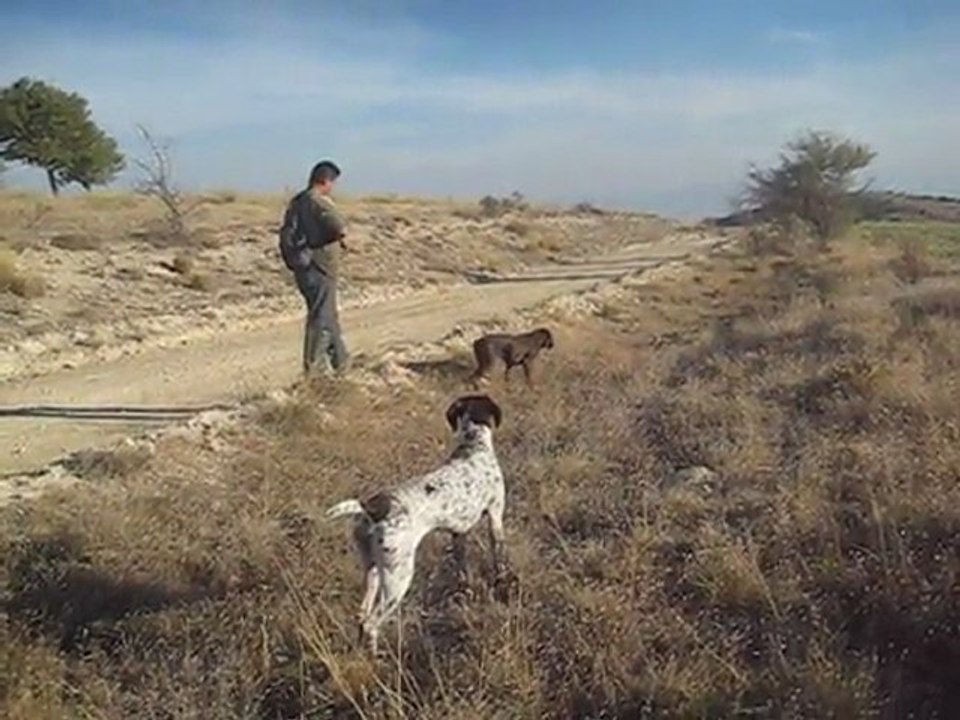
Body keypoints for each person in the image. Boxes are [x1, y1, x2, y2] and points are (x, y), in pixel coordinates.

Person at [279, 160, 350, 376]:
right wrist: (343, 238)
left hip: (303, 266)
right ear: (326, 181)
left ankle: (342, 364)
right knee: (321, 317)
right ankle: (312, 371)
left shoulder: (297, 201)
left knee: (327, 315)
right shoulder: (318, 201)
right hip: (321, 267)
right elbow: (339, 226)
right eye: (332, 183)